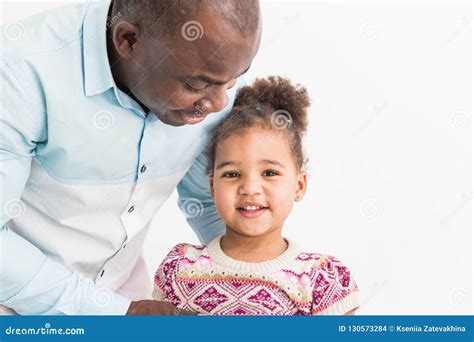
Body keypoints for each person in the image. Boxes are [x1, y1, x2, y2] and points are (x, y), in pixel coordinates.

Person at [0, 0, 261, 315]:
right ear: (128, 41)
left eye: (232, 81)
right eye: (196, 85)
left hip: (126, 295)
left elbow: (208, 203)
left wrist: (271, 281)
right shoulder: (17, 72)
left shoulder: (211, 69)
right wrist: (118, 314)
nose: (220, 104)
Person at [153, 77, 360, 315]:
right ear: (212, 187)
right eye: (232, 174)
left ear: (299, 186)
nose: (250, 188)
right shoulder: (178, 268)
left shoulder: (323, 281)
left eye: (269, 173)